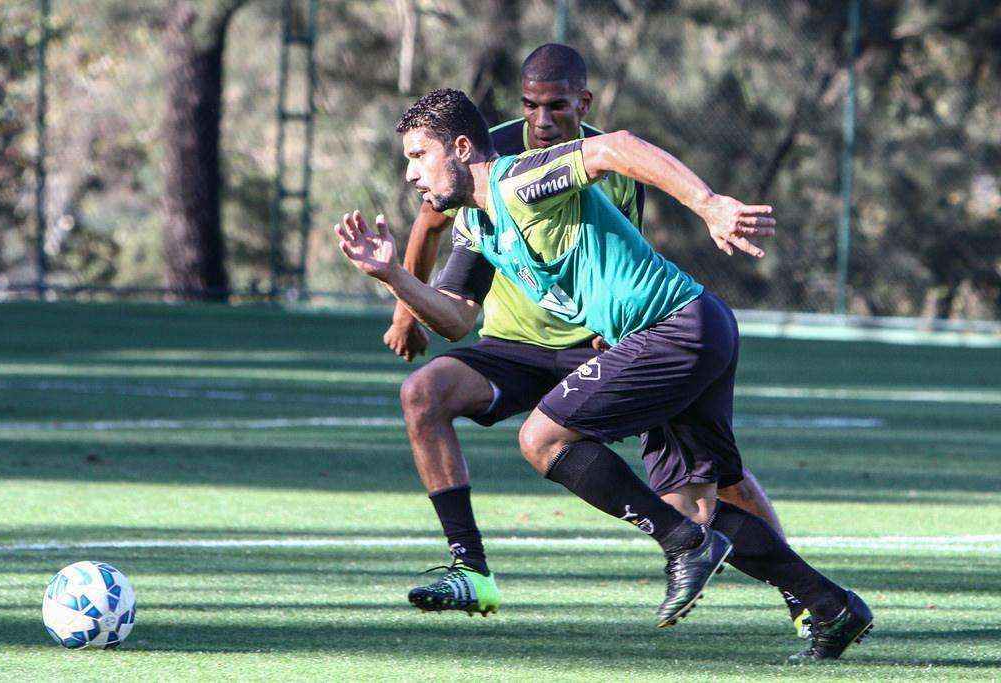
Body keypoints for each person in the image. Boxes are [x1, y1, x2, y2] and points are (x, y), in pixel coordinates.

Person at [335, 88, 873, 661]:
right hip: (697, 326)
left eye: (419, 156)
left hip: (675, 329)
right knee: (696, 506)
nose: (412, 175)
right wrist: (392, 275)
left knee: (541, 438)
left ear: (462, 147)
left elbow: (614, 148)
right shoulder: (475, 223)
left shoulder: (518, 182)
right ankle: (831, 606)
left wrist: (709, 202)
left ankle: (683, 545)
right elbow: (456, 321)